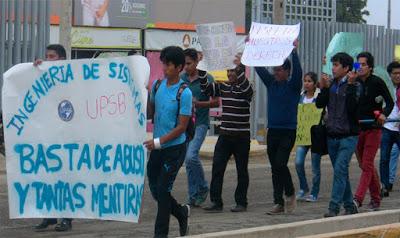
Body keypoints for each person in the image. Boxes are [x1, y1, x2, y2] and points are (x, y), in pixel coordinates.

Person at [144, 46, 191, 238]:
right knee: (155, 189)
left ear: (179, 67)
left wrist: (159, 141)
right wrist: (146, 94)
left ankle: (160, 235)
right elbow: (149, 113)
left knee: (163, 191)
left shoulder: (184, 93)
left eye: (169, 65)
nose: (164, 68)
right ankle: (181, 212)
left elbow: (181, 127)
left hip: (174, 149)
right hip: (157, 147)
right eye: (163, 63)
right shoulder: (157, 86)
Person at [201, 53, 253, 213]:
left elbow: (247, 89)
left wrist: (239, 66)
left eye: (234, 71)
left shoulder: (247, 89)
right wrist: (202, 67)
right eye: (228, 71)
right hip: (225, 136)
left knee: (241, 171)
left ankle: (241, 202)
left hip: (241, 138)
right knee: (217, 168)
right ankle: (216, 202)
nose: (230, 74)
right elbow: (206, 88)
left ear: (241, 73)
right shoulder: (223, 86)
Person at [255, 40, 302, 215]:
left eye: (279, 69)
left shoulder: (294, 86)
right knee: (275, 167)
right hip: (272, 131)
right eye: (274, 69)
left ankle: (289, 193)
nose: (275, 72)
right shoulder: (271, 84)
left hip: (288, 131)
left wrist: (294, 52)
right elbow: (259, 69)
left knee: (281, 163)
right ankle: (278, 202)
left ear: (287, 71)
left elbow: (298, 72)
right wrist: (251, 47)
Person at [33, 44, 73, 232]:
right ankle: (48, 216)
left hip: (67, 138)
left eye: (52, 57)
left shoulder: (73, 76)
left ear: (62, 59)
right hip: (49, 138)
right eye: (46, 56)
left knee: (65, 178)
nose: (48, 60)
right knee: (47, 176)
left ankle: (66, 218)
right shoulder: (45, 76)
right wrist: (36, 68)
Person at [316, 52, 361, 217]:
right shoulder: (331, 84)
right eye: (332, 64)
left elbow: (353, 109)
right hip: (332, 136)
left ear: (346, 68)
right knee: (341, 173)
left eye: (336, 65)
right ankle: (350, 205)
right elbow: (319, 104)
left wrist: (349, 86)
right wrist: (324, 89)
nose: (333, 68)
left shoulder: (355, 85)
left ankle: (333, 207)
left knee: (340, 170)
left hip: (348, 136)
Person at [352, 52, 394, 211]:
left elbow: (390, 103)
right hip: (357, 129)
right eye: (358, 64)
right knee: (365, 165)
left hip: (374, 129)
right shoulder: (353, 82)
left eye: (363, 64)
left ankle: (357, 199)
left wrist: (384, 114)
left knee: (367, 164)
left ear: (370, 67)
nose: (360, 67)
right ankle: (376, 198)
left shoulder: (377, 82)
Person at [181, 48, 220, 207]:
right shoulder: (181, 79)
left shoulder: (207, 78)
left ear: (197, 62)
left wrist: (198, 103)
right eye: (184, 64)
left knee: (191, 156)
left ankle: (203, 187)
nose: (186, 67)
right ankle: (193, 195)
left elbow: (216, 101)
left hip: (200, 124)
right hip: (184, 125)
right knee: (188, 160)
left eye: (189, 63)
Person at [295, 72, 322, 202]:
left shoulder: (319, 96)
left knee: (315, 166)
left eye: (309, 81)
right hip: (303, 135)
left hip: (316, 136)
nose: (306, 83)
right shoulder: (301, 97)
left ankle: (314, 192)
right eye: (305, 81)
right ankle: (303, 187)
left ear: (315, 83)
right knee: (298, 162)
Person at [380, 61, 400, 197]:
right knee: (384, 158)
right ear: (390, 75)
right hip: (387, 127)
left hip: (399, 127)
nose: (398, 76)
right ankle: (385, 185)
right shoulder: (384, 87)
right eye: (395, 73)